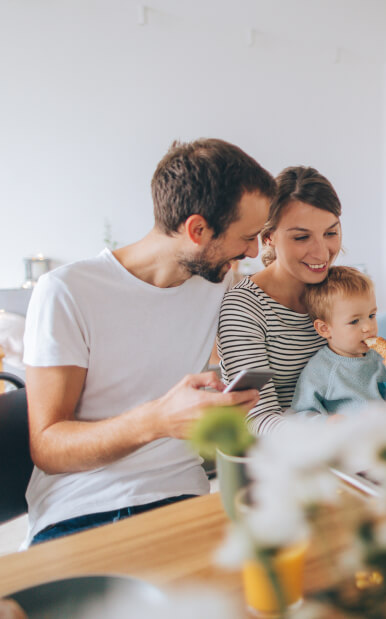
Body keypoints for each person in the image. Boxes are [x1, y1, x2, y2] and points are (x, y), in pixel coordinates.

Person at [23, 138, 276, 545]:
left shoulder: (220, 284)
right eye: (247, 236)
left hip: (184, 500)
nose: (253, 250)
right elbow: (48, 447)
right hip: (83, 510)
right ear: (197, 229)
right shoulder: (67, 291)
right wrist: (157, 420)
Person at [218, 166, 342, 434]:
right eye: (301, 237)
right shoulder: (244, 308)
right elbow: (258, 419)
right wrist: (330, 430)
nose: (322, 253)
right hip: (283, 458)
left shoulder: (339, 291)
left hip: (348, 447)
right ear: (269, 237)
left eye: (330, 233)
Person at [290, 266, 386, 417]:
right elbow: (300, 415)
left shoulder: (380, 359)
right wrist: (328, 423)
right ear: (324, 329)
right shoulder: (319, 371)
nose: (368, 327)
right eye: (354, 321)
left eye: (372, 315)